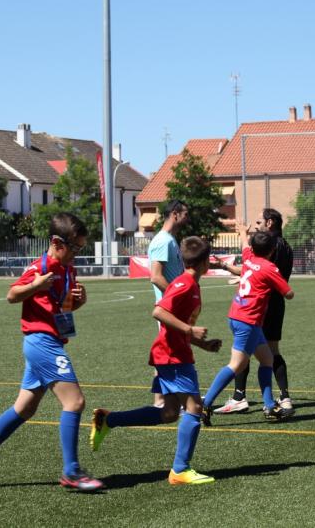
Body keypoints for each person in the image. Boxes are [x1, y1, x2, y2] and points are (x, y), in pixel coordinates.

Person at [0, 212, 103, 492]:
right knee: (74, 402)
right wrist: (35, 285)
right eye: (75, 248)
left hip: (51, 341)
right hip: (41, 342)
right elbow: (11, 295)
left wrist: (78, 303)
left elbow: (61, 310)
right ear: (56, 243)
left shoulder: (68, 269)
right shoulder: (39, 267)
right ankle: (72, 472)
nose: (77, 254)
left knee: (25, 408)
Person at [90, 236, 221, 485]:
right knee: (194, 407)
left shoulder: (191, 283)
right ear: (205, 263)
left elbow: (176, 326)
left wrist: (202, 343)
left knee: (170, 412)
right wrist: (190, 331)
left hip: (173, 352)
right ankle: (180, 470)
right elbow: (159, 311)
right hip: (172, 355)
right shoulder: (184, 284)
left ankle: (109, 419)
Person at [202, 225, 294, 426]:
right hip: (248, 321)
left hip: (238, 315)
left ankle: (270, 406)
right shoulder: (270, 268)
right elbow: (289, 293)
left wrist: (243, 231)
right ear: (272, 251)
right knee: (236, 365)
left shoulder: (249, 259)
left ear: (253, 248)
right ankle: (205, 404)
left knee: (267, 359)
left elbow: (244, 244)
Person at [148, 199, 189, 407]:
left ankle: (162, 399)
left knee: (168, 353)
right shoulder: (163, 241)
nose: (187, 217)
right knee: (171, 354)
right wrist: (177, 295)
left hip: (174, 307)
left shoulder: (170, 239)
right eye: (185, 214)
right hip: (169, 308)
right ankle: (174, 401)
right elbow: (156, 277)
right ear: (175, 214)